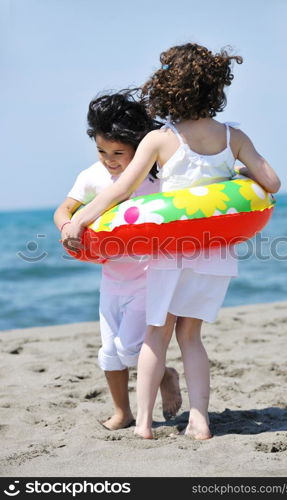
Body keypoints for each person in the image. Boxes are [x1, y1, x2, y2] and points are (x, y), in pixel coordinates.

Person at [65, 43, 281, 439]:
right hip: (214, 251)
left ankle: (144, 424)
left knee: (157, 333)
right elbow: (272, 183)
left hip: (170, 251)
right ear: (217, 88)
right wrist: (235, 174)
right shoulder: (234, 136)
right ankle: (199, 419)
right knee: (191, 336)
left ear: (165, 90)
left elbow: (119, 192)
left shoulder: (160, 139)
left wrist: (80, 220)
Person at [54, 90, 182, 430]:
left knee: (130, 349)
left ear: (138, 147)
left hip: (148, 275)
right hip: (112, 277)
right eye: (101, 151)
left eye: (118, 153)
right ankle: (122, 412)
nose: (109, 159)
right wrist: (68, 225)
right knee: (108, 353)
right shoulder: (91, 176)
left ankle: (166, 374)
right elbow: (64, 209)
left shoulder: (156, 178)